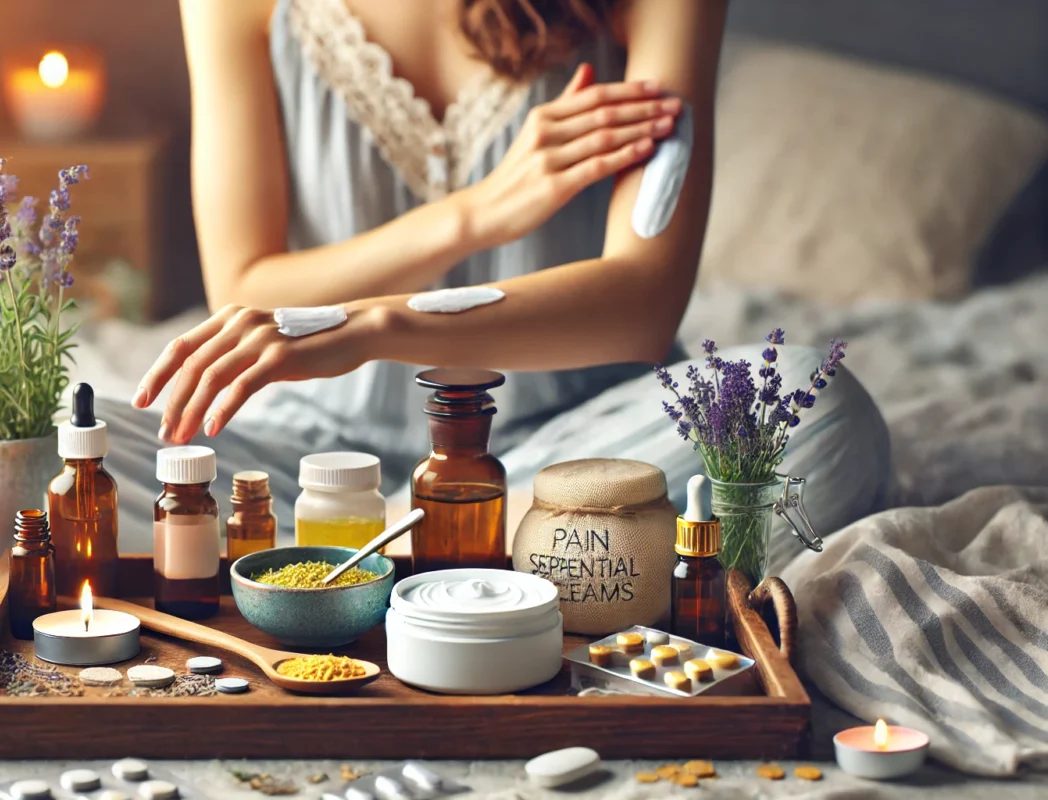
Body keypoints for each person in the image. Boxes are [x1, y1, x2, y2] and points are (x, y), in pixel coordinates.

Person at [101, 0, 890, 571]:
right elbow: (241, 286)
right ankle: (539, 562)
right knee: (44, 457)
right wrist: (476, 214)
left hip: (575, 454)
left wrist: (377, 325)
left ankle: (366, 563)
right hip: (308, 464)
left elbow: (643, 302)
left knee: (807, 406)